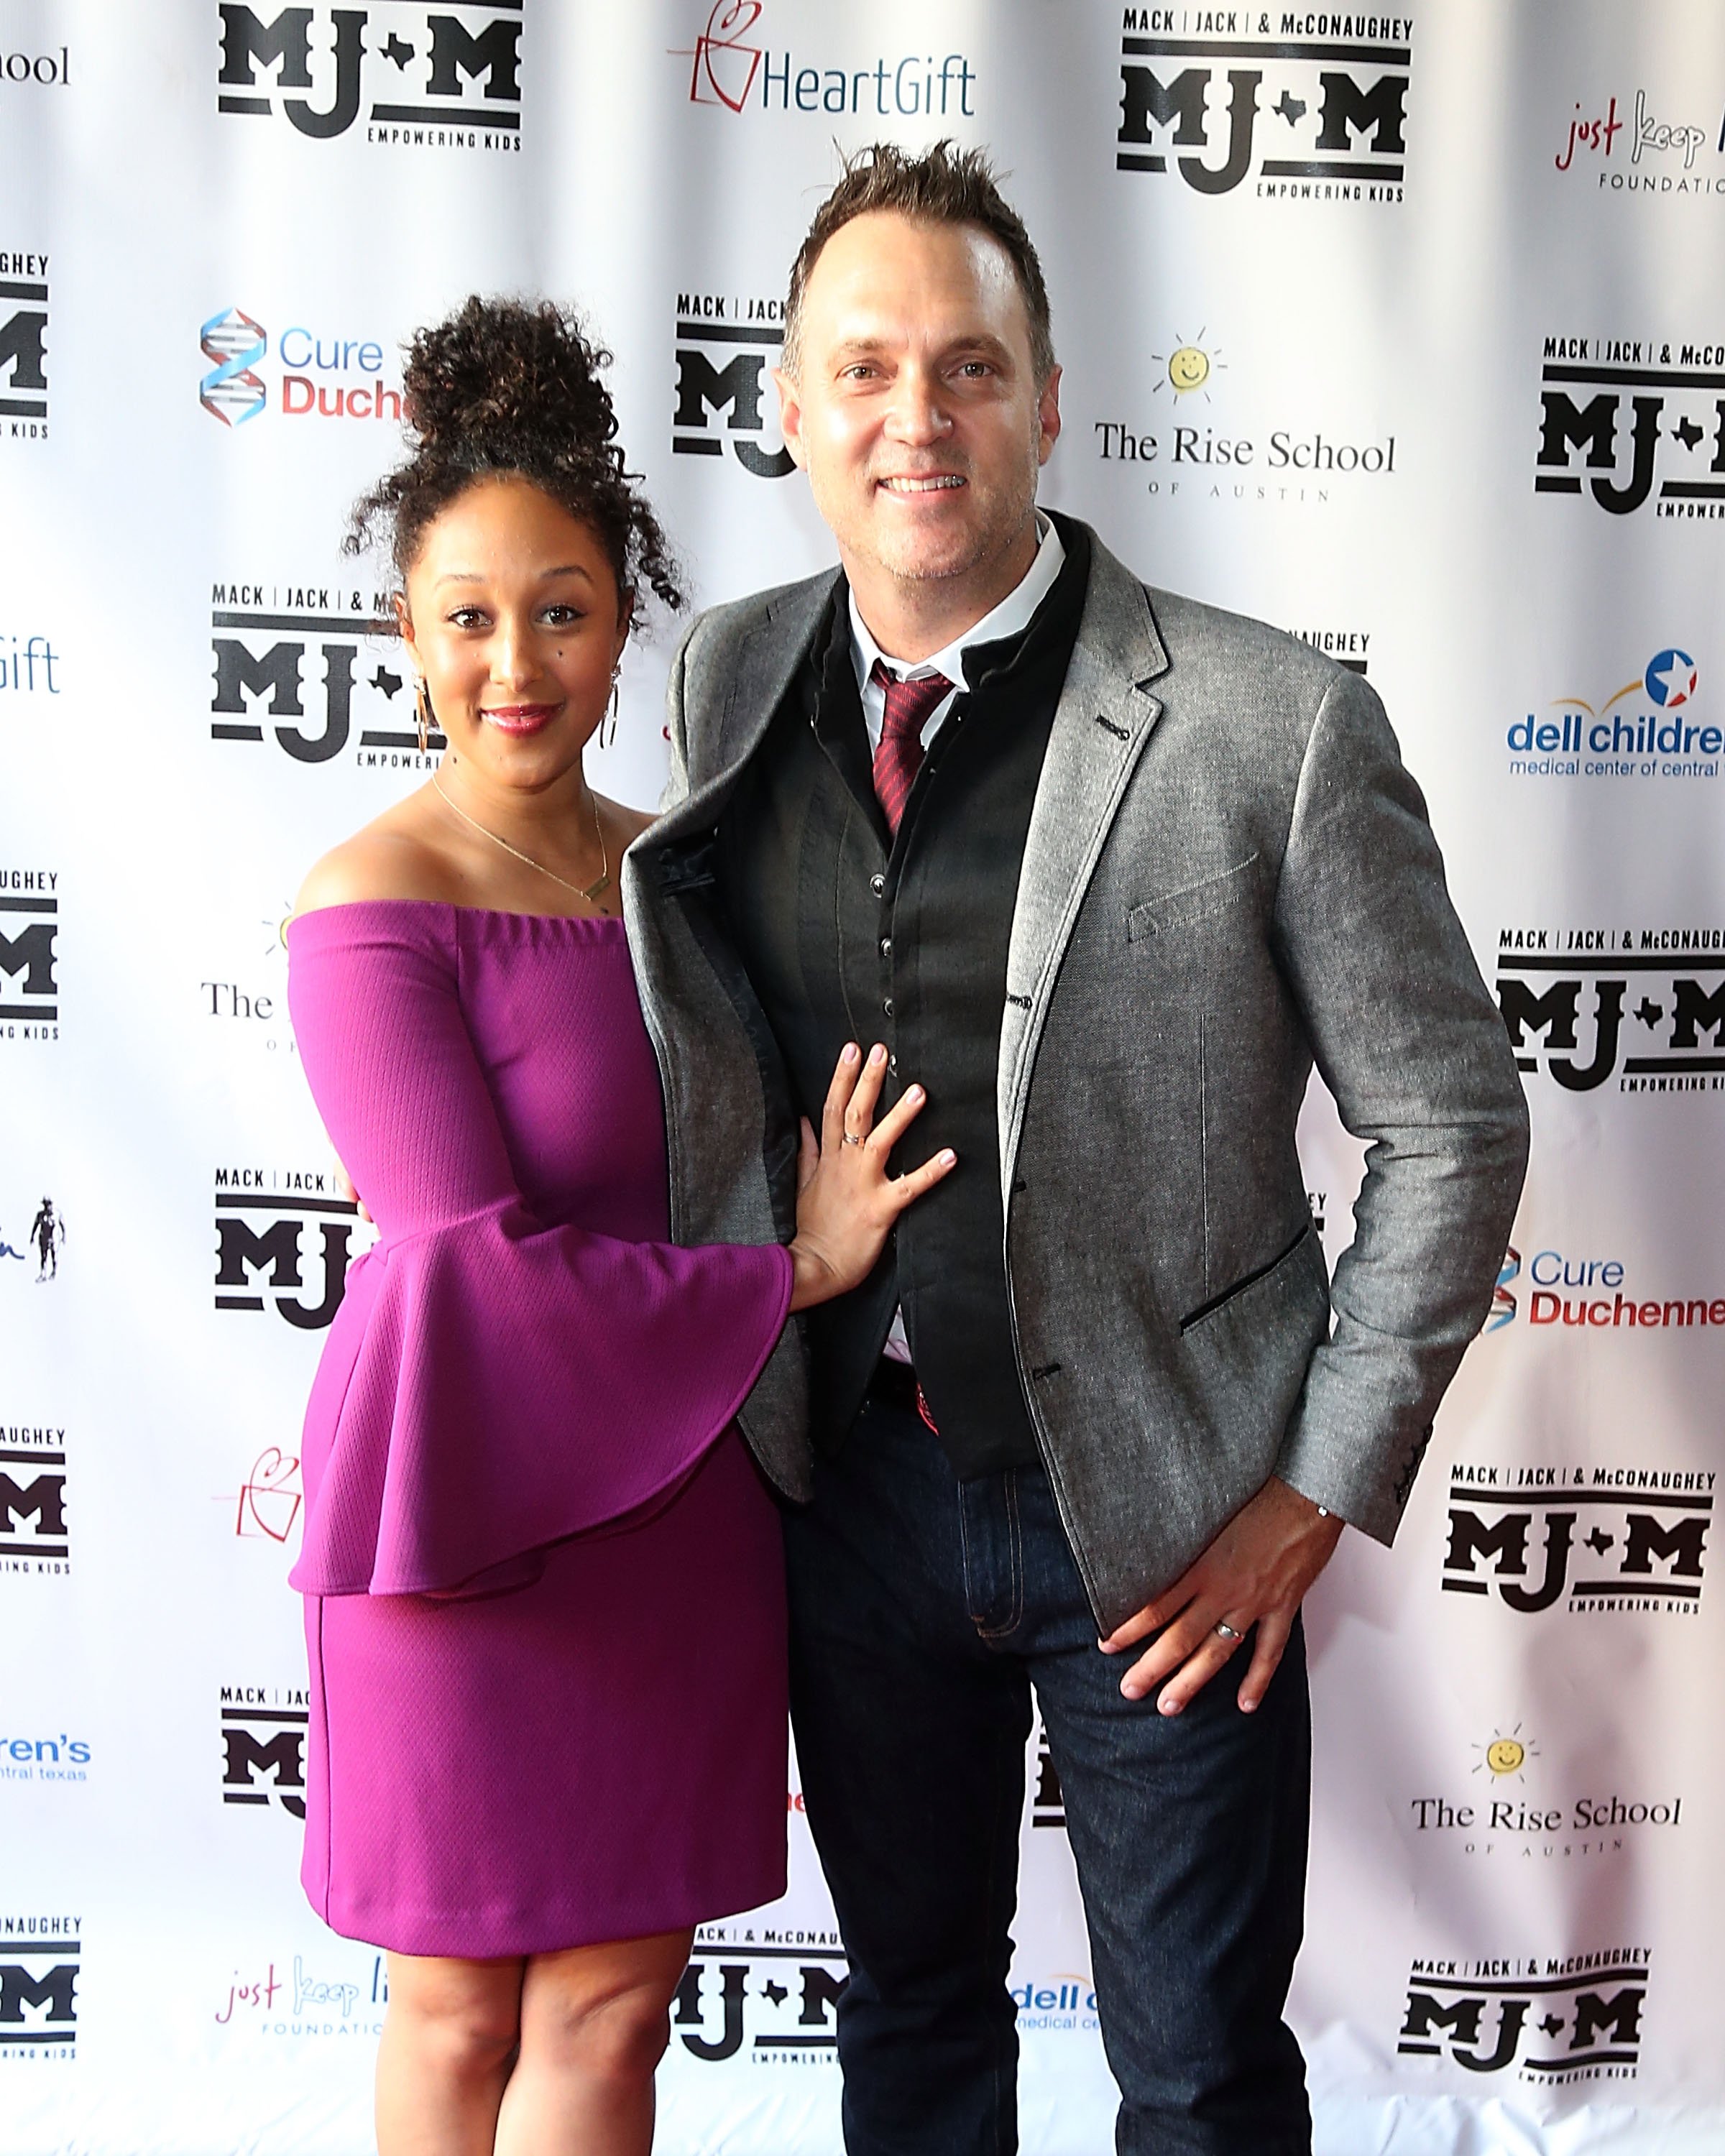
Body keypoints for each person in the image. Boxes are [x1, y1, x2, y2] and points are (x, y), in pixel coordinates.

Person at [623, 145, 1530, 2154]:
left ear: (1050, 395)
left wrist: (1308, 1493)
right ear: (787, 409)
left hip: (1171, 1528)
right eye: (861, 371)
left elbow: (1454, 1127)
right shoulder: (726, 677)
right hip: (849, 1501)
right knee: (913, 2023)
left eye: (965, 365)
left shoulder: (1268, 725)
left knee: (1200, 2080)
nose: (913, 418)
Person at [285, 296, 953, 2156]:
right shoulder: (370, 908)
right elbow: (464, 1263)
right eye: (470, 619)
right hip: (468, 1521)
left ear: (619, 617)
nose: (518, 664)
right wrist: (792, 1276)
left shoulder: (682, 872)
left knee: (613, 2003)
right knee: (455, 2004)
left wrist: (827, 1235)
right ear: (408, 635)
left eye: (562, 610)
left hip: (681, 1512)